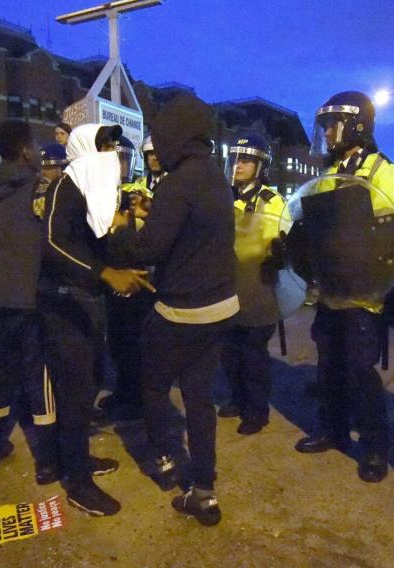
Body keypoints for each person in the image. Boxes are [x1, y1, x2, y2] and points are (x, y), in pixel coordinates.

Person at [109, 94, 238, 526]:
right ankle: (204, 489)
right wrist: (156, 212)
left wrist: (124, 229)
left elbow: (149, 249)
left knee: (154, 385)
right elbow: (192, 230)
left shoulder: (177, 182)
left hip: (181, 311)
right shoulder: (215, 177)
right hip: (220, 307)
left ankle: (163, 458)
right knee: (199, 399)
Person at [291, 91, 394, 486]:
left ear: (356, 124)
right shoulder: (328, 172)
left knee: (361, 370)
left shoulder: (380, 169)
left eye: (332, 125)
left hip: (363, 291)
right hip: (331, 288)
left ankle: (374, 447)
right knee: (329, 365)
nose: (326, 133)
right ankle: (332, 430)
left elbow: (391, 231)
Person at [40, 122, 152, 516]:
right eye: (105, 145)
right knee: (74, 392)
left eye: (114, 146)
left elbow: (95, 238)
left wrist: (128, 221)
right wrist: (106, 274)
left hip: (86, 302)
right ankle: (77, 482)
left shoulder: (89, 190)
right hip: (63, 306)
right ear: (85, 147)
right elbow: (52, 243)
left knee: (87, 388)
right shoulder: (64, 187)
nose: (112, 153)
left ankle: (77, 459)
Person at [0, 120, 58, 482]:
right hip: (28, 299)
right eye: (34, 146)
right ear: (25, 150)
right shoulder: (41, 189)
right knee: (39, 376)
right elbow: (54, 244)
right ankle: (47, 459)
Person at [217, 132, 285, 435]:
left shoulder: (271, 200)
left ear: (260, 167)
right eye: (236, 159)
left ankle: (257, 410)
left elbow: (273, 241)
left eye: (246, 160)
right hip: (228, 287)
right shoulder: (224, 197)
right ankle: (237, 398)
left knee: (253, 354)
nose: (239, 165)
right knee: (229, 352)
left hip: (258, 287)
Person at [99, 135, 154, 423]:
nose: (117, 164)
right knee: (117, 342)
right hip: (110, 278)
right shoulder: (98, 192)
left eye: (121, 158)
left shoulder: (139, 193)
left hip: (136, 276)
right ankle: (124, 390)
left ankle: (138, 399)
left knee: (135, 344)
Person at [33, 143, 67, 220]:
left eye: (48, 167)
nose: (43, 172)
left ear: (61, 168)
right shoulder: (36, 190)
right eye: (41, 168)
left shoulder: (69, 194)